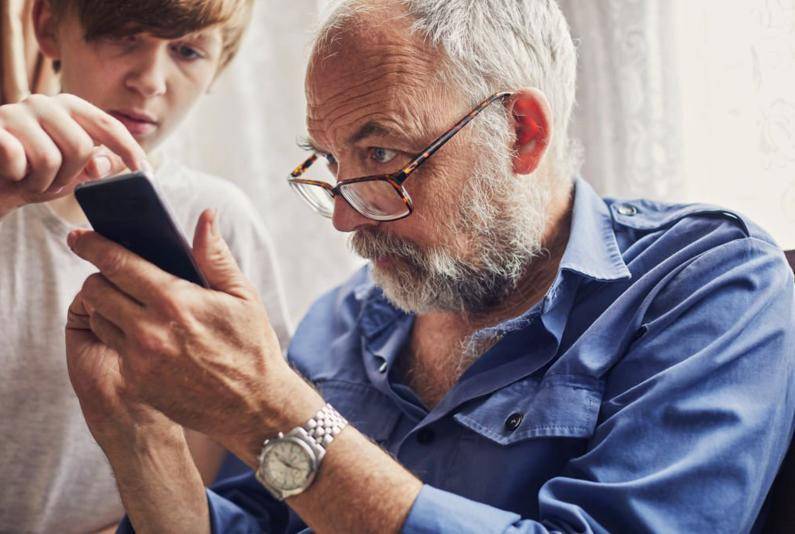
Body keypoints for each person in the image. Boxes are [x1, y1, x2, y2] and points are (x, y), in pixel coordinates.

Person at [64, 0, 794, 532]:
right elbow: (258, 523)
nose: (347, 217)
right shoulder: (348, 317)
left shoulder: (712, 284)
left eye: (380, 157)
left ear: (521, 132)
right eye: (331, 165)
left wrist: (265, 408)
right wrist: (137, 433)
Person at [0, 0, 291, 531]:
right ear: (48, 28)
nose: (151, 80)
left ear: (221, 64)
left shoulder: (219, 224)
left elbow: (232, 456)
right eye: (124, 36)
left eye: (186, 50)